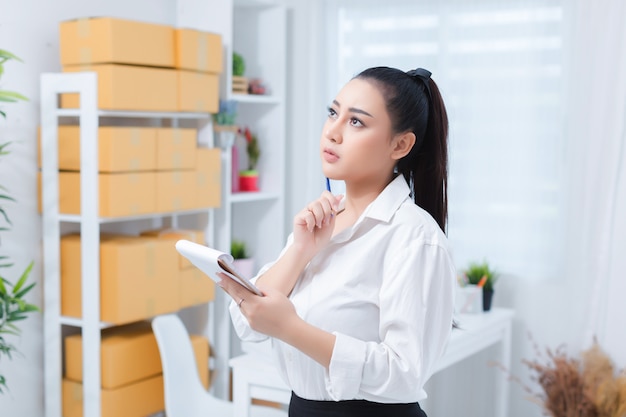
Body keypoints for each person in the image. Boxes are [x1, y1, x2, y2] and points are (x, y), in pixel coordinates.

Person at [218, 66, 456, 417]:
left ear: (400, 144)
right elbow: (247, 322)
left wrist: (291, 328)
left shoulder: (415, 237)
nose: (332, 131)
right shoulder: (319, 224)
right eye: (333, 113)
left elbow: (405, 373)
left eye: (356, 122)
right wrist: (300, 251)